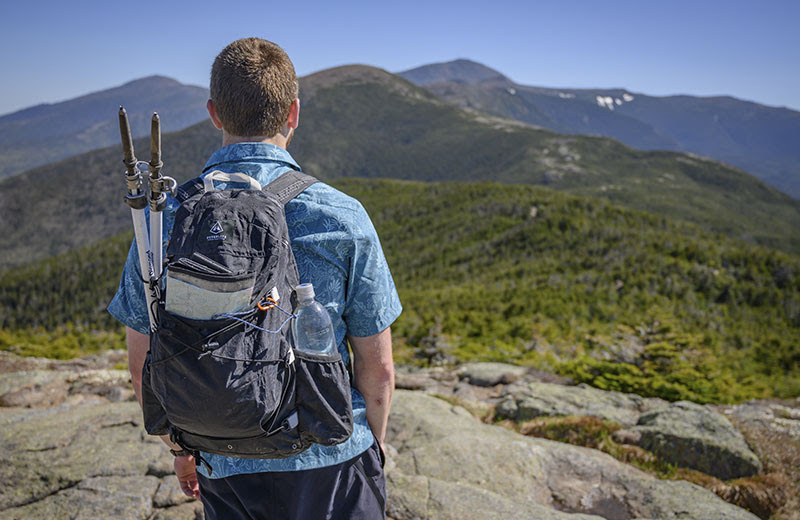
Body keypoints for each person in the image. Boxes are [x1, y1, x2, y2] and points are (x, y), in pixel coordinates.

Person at [108, 37, 402, 519]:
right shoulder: (342, 216)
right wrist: (375, 443)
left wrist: (182, 449)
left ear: (214, 113)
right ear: (293, 113)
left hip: (224, 463)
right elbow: (379, 370)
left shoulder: (168, 219)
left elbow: (145, 362)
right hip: (332, 460)